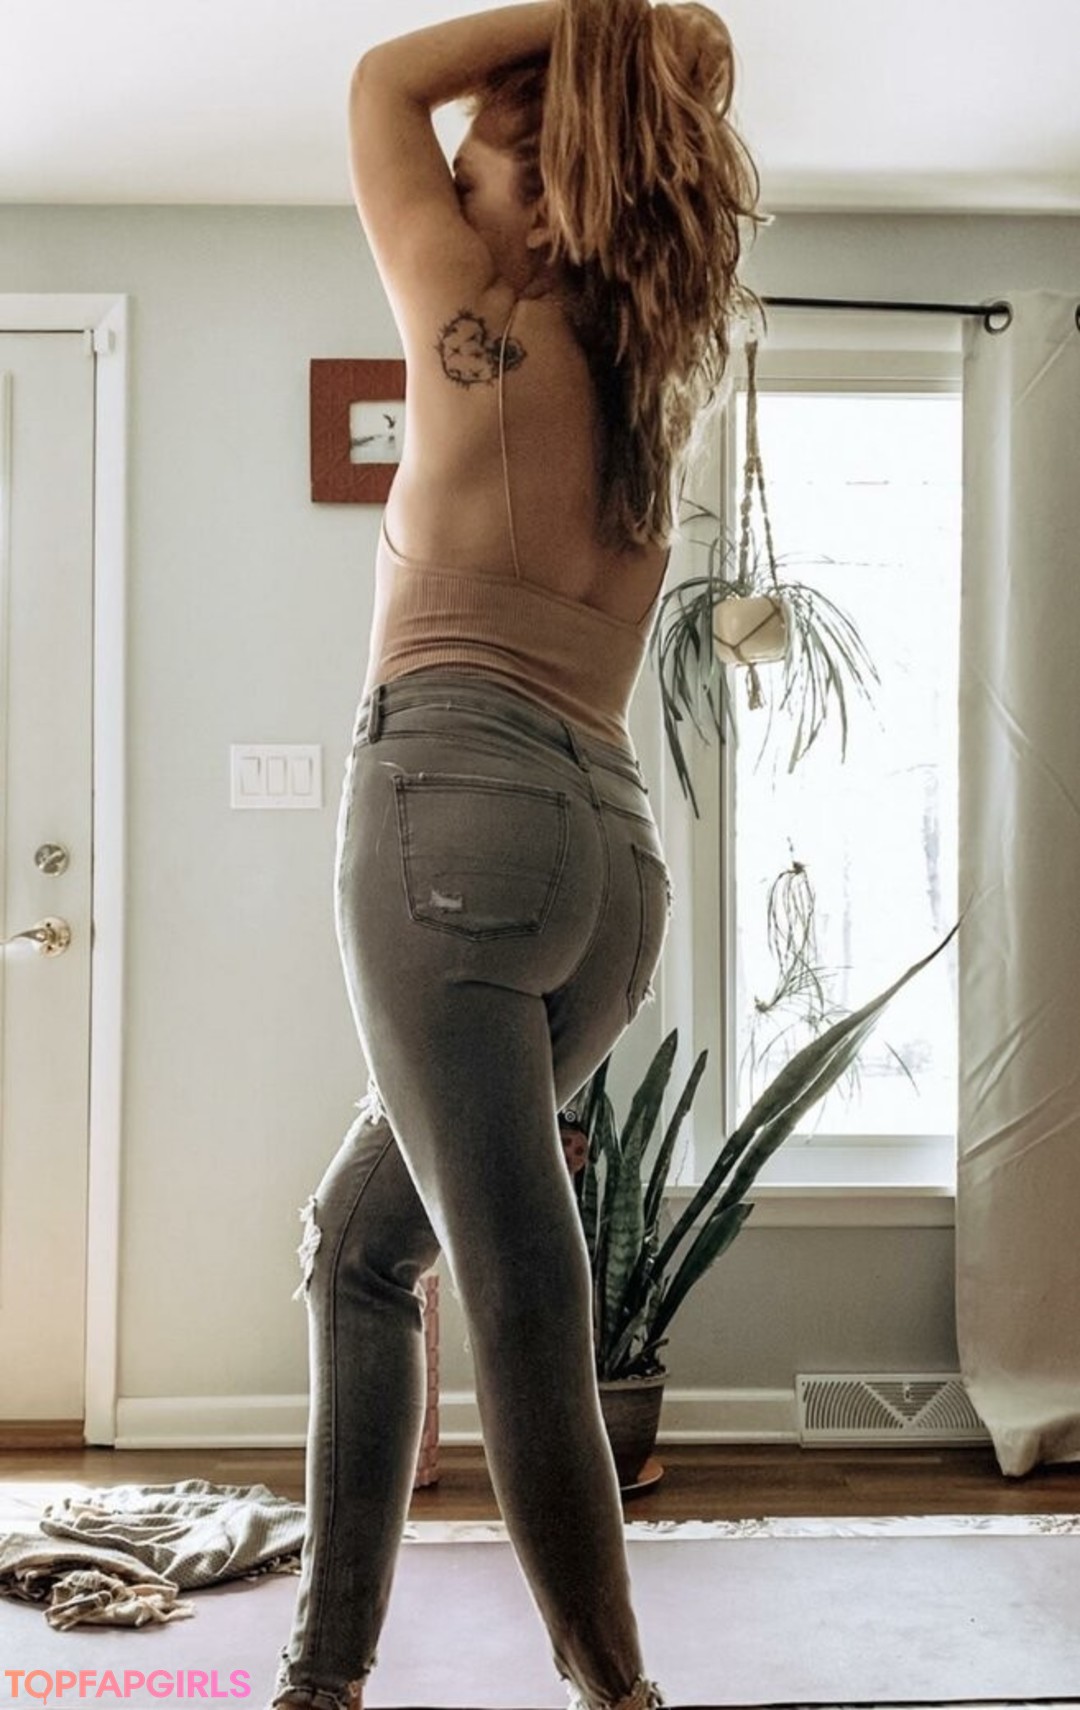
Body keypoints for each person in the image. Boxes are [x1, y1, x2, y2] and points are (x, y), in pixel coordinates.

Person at [270, 4, 765, 1708]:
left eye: (478, 170)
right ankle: (324, 1676)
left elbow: (376, 81)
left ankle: (616, 1691)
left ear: (537, 199)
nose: (454, 189)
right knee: (362, 1246)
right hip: (608, 871)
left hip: (453, 818)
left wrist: (585, 17)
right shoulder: (651, 380)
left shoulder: (470, 315)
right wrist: (614, 62)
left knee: (520, 1288)